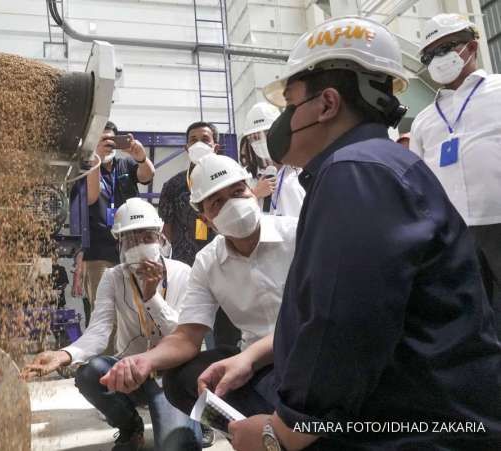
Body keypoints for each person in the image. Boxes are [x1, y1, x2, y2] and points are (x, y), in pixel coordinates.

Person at [186, 16, 500, 450]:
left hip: (421, 428)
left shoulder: (355, 173)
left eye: (291, 104)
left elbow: (343, 322)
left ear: (327, 104)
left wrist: (280, 435)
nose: (283, 121)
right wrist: (253, 358)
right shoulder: (368, 164)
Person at [99, 155, 298, 437]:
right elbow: (186, 336)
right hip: (257, 366)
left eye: (237, 192)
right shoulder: (207, 261)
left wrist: (248, 359)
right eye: (216, 202)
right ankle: (243, 432)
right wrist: (145, 361)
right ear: (205, 218)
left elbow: (317, 320)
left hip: (306, 354)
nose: (231, 204)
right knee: (179, 380)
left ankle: (283, 432)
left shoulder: (297, 235)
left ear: (252, 192)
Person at [23, 198, 201, 451]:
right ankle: (130, 428)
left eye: (146, 237)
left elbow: (183, 335)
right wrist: (65, 354)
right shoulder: (113, 278)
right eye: (130, 239)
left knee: (177, 446)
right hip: (129, 372)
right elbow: (99, 331)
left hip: (171, 376)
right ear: (119, 244)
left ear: (161, 238)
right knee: (89, 373)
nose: (139, 245)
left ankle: (195, 416)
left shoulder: (183, 273)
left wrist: (152, 298)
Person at [410, 13, 501, 336]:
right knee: (472, 317)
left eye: (445, 47)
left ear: (472, 47)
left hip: (499, 220)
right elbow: (417, 181)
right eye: (429, 54)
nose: (437, 59)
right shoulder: (423, 120)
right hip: (453, 233)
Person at [159, 122, 241, 350]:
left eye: (204, 139)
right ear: (186, 148)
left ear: (215, 146)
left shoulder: (229, 180)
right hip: (188, 266)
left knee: (227, 326)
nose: (198, 144)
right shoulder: (173, 185)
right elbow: (167, 229)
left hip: (225, 262)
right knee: (192, 327)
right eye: (193, 140)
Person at [81, 121, 155, 321]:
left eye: (111, 140)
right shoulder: (85, 166)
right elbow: (91, 197)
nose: (107, 144)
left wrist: (141, 158)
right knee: (103, 312)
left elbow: (147, 176)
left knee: (135, 306)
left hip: (133, 246)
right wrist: (96, 158)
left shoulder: (125, 164)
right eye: (102, 140)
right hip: (99, 249)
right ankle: (105, 353)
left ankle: (132, 351)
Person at [240, 102, 305, 217]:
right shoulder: (246, 177)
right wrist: (255, 194)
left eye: (265, 134)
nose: (261, 141)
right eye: (254, 137)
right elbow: (238, 219)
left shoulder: (301, 170)